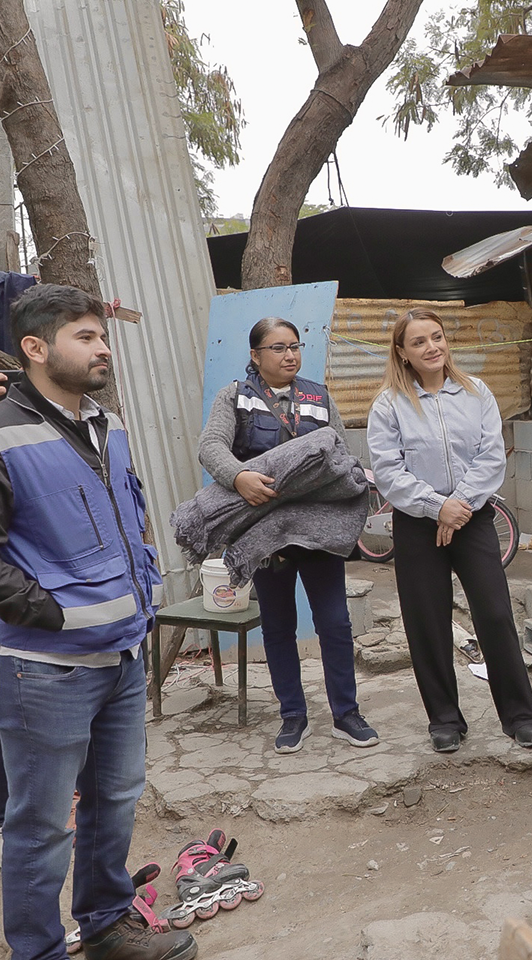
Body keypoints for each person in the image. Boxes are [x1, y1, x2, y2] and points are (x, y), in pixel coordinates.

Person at [0, 285, 195, 960]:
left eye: (101, 335)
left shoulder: (108, 423)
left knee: (114, 799)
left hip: (121, 653)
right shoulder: (3, 429)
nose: (102, 346)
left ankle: (108, 924)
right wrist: (52, 614)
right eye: (84, 336)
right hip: (44, 667)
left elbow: (127, 520)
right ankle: (38, 951)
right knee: (41, 825)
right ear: (35, 348)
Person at [366, 308, 532, 754]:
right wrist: (435, 507)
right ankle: (444, 719)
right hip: (416, 524)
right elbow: (388, 471)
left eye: (437, 337)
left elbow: (491, 456)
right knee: (426, 621)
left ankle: (521, 715)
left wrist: (457, 507)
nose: (432, 347)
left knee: (495, 613)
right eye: (419, 342)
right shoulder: (388, 404)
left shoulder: (475, 392)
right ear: (402, 353)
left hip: (472, 519)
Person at [200, 317, 378, 754]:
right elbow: (211, 447)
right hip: (265, 531)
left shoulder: (317, 396)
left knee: (335, 623)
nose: (289, 355)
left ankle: (346, 714)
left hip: (319, 530)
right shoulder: (234, 397)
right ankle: (293, 716)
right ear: (255, 356)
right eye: (278, 348)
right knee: (279, 626)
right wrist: (239, 476)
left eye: (294, 346)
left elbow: (339, 450)